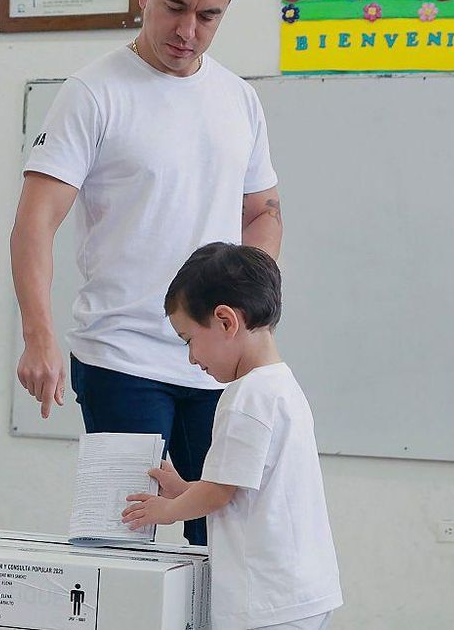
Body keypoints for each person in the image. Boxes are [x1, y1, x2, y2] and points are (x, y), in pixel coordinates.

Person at [10, 0, 282, 547]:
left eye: (209, 16)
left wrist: (252, 320)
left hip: (215, 366)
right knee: (122, 542)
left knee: (219, 545)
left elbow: (263, 212)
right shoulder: (93, 94)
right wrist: (39, 337)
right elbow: (35, 222)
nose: (189, 32)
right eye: (175, 6)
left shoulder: (239, 100)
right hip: (120, 358)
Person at [122, 243, 342, 630]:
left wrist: (167, 511)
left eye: (188, 338)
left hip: (266, 598)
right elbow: (241, 487)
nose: (191, 358)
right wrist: (186, 487)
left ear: (226, 321)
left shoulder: (244, 396)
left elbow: (220, 492)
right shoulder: (281, 386)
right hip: (301, 590)